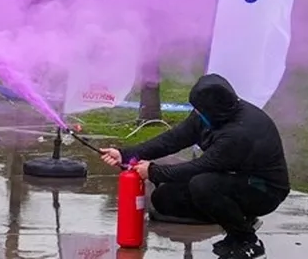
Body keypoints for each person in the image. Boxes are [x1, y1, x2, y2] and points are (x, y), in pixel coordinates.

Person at [100, 74, 288, 259]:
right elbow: (172, 140)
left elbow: (200, 167)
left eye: (200, 111)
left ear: (214, 111)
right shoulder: (209, 113)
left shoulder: (238, 133)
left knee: (203, 185)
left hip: (264, 190)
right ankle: (236, 217)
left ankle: (247, 241)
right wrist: (126, 154)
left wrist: (153, 171)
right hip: (231, 178)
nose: (196, 114)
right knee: (164, 198)